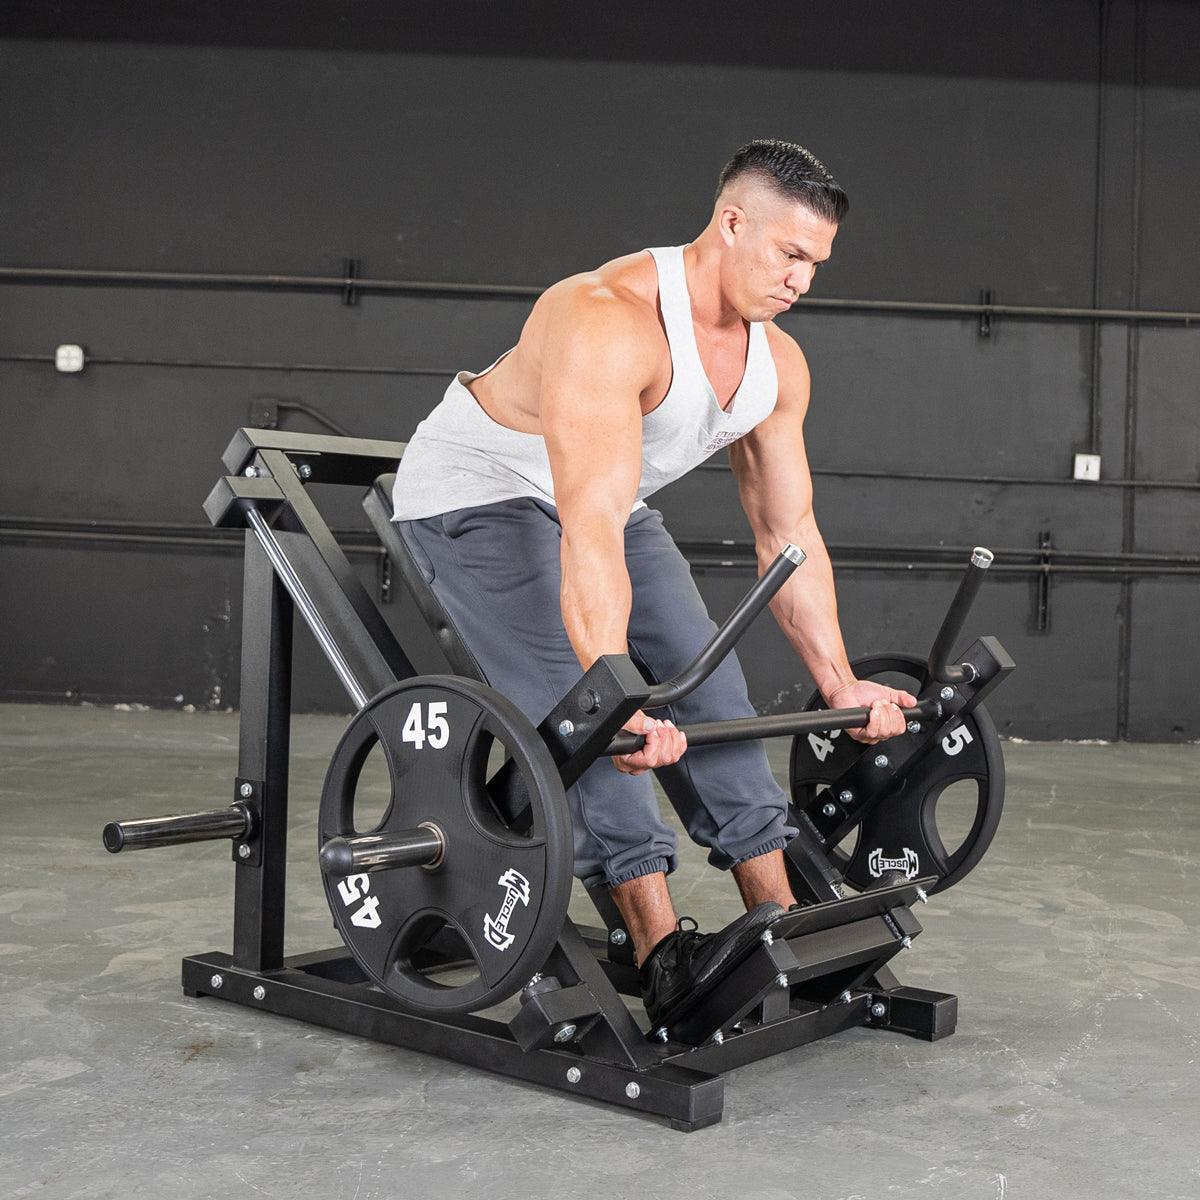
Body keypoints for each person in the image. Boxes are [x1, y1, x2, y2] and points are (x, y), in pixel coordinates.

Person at [391, 138, 916, 1031]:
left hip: (602, 496)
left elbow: (788, 535)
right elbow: (585, 522)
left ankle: (776, 918)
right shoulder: (606, 316)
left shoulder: (776, 366)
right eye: (791, 255)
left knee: (711, 687)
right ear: (732, 221)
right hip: (477, 496)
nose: (803, 281)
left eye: (816, 265)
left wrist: (839, 683)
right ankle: (660, 949)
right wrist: (608, 691)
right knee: (593, 711)